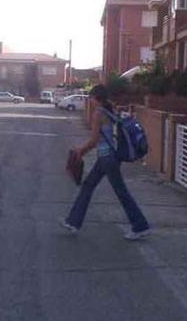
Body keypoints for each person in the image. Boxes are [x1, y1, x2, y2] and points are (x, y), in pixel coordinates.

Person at [61, 85, 151, 240]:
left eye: (91, 97)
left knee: (120, 192)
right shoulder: (110, 111)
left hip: (107, 158)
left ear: (96, 98)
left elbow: (94, 140)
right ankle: (73, 222)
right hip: (109, 157)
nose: (90, 100)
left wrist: (80, 150)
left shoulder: (98, 113)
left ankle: (140, 226)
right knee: (88, 186)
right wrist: (82, 151)